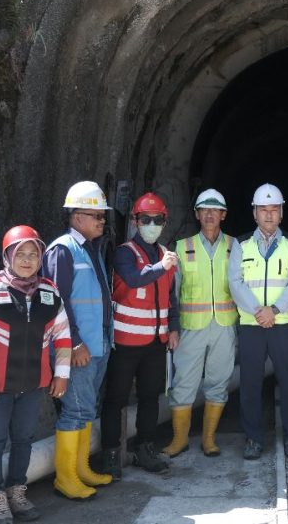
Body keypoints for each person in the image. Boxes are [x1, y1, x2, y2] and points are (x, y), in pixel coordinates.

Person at [0, 225, 71, 524]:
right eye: (20, 253)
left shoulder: (49, 291)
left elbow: (63, 336)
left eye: (34, 254)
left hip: (35, 384)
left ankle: (17, 492)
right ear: (7, 255)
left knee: (24, 439)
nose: (27, 259)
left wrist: (62, 373)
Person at [42, 181, 115, 499]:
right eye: (96, 215)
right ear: (77, 217)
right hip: (77, 348)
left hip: (97, 345)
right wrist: (72, 344)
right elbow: (57, 301)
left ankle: (81, 469)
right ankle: (65, 477)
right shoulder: (63, 250)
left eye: (103, 216)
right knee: (74, 410)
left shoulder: (91, 249)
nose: (102, 221)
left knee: (86, 409)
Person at [99, 192, 179, 478]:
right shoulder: (124, 253)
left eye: (157, 220)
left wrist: (173, 327)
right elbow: (133, 280)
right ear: (135, 221)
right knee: (116, 399)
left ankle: (146, 449)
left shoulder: (164, 254)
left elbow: (171, 296)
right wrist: (161, 267)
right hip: (125, 342)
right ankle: (111, 454)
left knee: (150, 398)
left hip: (156, 343)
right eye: (146, 219)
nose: (152, 224)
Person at [228, 183, 288, 460]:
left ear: (281, 213)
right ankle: (253, 438)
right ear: (255, 213)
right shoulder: (240, 244)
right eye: (264, 209)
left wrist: (273, 310)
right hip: (251, 325)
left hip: (282, 322)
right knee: (250, 384)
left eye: (274, 209)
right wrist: (258, 311)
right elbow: (235, 282)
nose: (269, 215)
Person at [166, 189, 238, 457]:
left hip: (224, 325)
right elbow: (172, 293)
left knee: (219, 381)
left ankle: (209, 439)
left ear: (223, 215)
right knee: (184, 382)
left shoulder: (235, 246)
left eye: (214, 210)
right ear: (196, 215)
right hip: (190, 327)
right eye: (204, 210)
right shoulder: (182, 247)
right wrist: (172, 327)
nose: (209, 215)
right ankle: (179, 440)